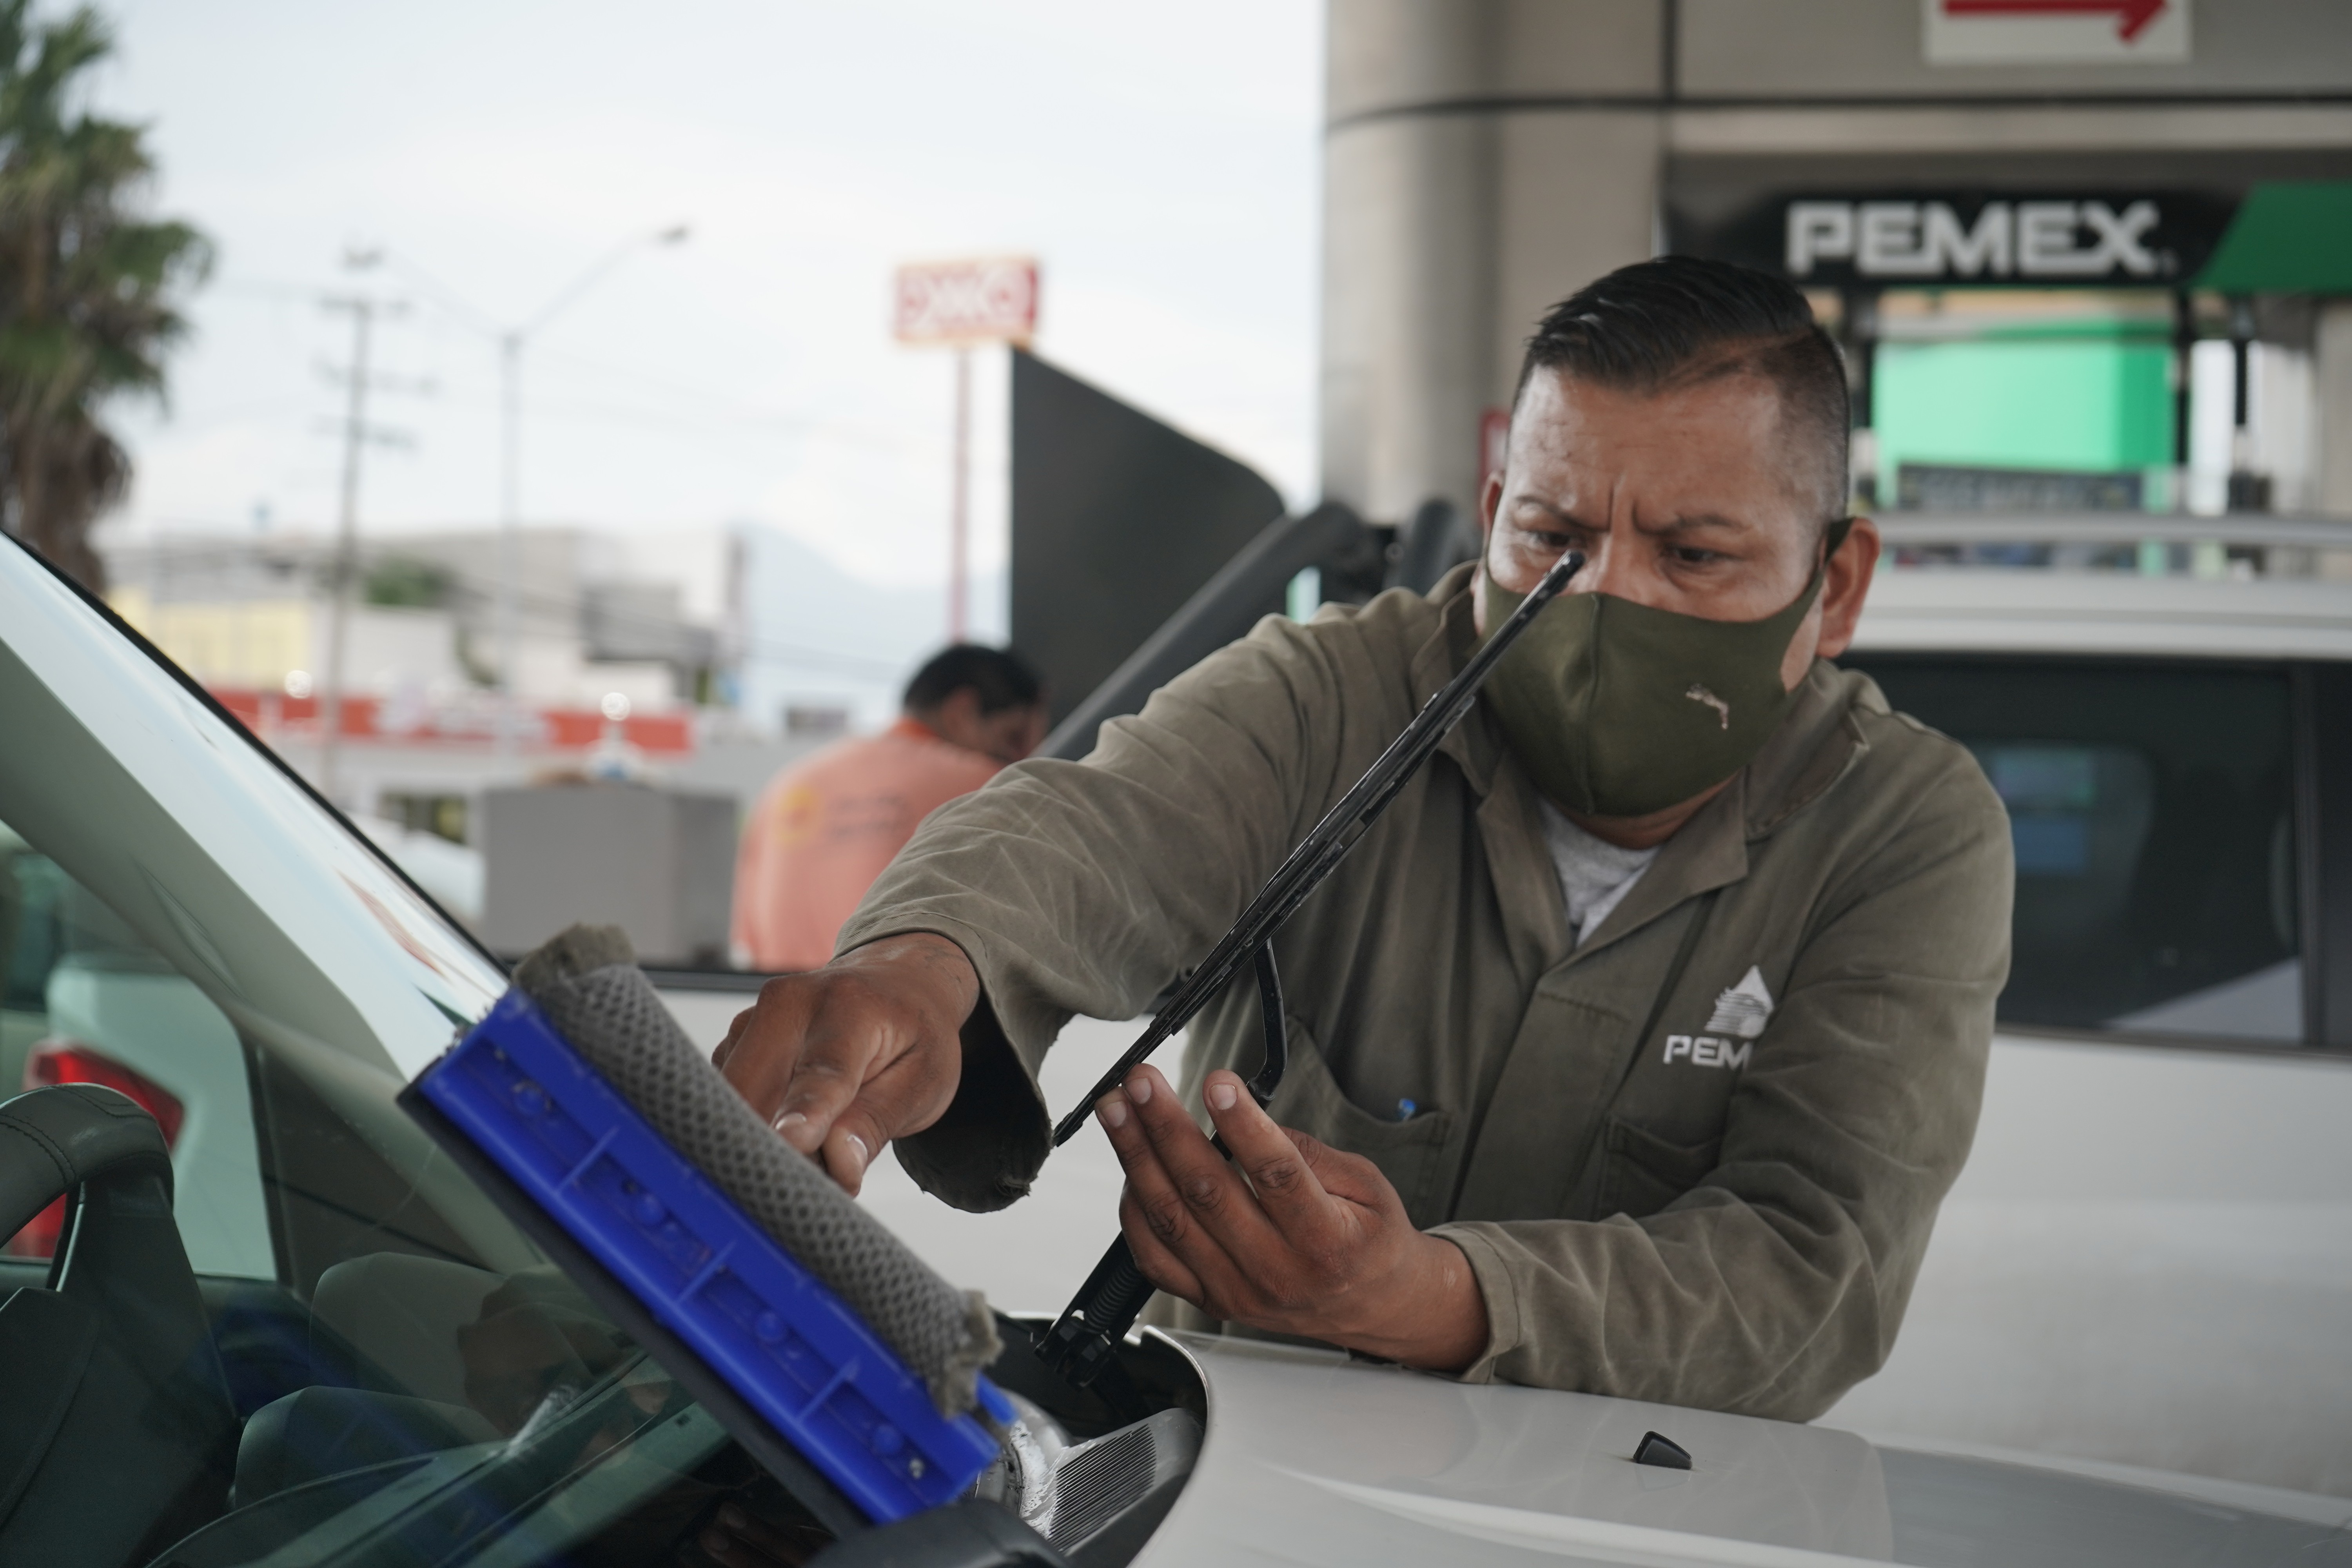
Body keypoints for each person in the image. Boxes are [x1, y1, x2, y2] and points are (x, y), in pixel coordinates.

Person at [712, 258, 2013, 1421]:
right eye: (1554, 539)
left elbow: (1809, 1271)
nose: (1604, 600)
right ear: (1496, 504)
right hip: (1234, 1494)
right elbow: (1094, 832)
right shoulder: (1337, 692)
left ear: (1833, 584)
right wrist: (922, 973)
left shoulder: (1906, 832)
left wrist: (1421, 1298)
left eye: (1692, 554)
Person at [730, 644, 1048, 973]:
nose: (1022, 759)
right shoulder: (990, 783)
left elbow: (751, 942)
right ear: (962, 712)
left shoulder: (786, 787)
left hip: (777, 1010)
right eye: (1015, 738)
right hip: (908, 1015)